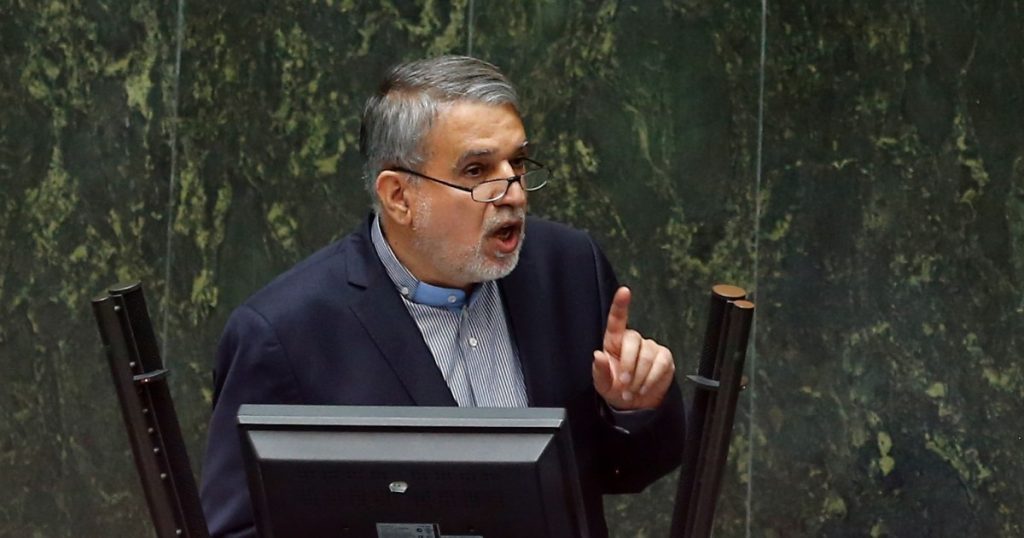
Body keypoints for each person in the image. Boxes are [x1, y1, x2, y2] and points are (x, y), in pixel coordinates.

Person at [200, 55, 686, 538]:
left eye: (517, 163)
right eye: (476, 170)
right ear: (399, 197)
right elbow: (235, 528)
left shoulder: (570, 268)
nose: (514, 193)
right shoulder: (285, 333)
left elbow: (627, 471)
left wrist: (632, 408)